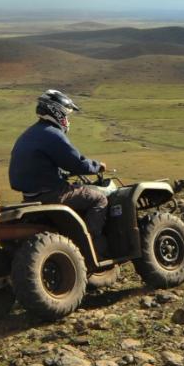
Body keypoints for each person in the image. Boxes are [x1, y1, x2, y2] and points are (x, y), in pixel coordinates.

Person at [8, 89, 111, 257]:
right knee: (99, 199)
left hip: (30, 197)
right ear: (57, 111)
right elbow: (77, 163)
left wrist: (60, 174)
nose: (67, 120)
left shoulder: (28, 134)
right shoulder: (52, 134)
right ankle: (90, 246)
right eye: (67, 115)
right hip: (52, 195)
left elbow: (40, 166)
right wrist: (97, 166)